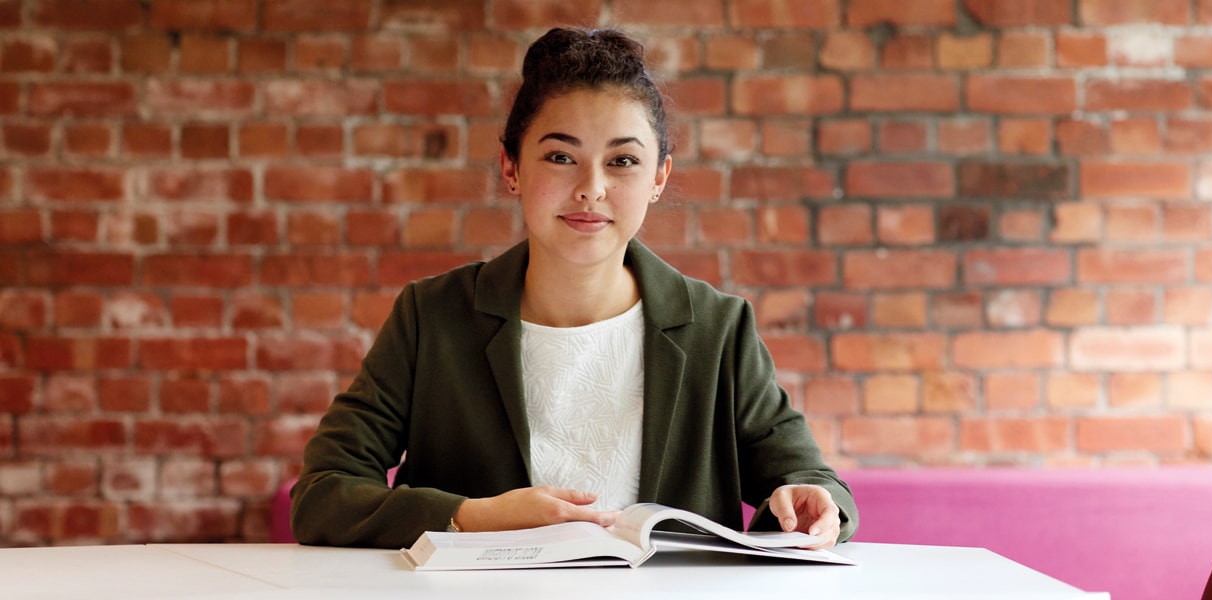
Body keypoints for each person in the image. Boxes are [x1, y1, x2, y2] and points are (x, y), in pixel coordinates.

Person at [290, 26, 856, 550]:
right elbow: (322, 495)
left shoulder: (718, 328)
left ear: (658, 176)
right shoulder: (431, 316)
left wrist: (812, 502)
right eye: (561, 156)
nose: (592, 189)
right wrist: (472, 516)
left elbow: (811, 482)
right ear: (511, 167)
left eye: (623, 161)